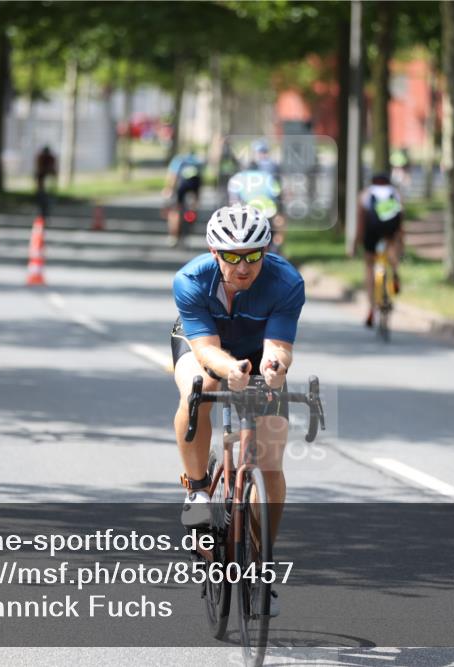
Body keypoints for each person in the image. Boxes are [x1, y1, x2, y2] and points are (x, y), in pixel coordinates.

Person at [170, 204, 305, 617]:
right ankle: (196, 487)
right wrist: (232, 369)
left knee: (271, 467)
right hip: (204, 347)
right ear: (215, 252)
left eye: (252, 255)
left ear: (267, 250)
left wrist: (273, 370)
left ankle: (261, 563)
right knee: (201, 387)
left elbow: (280, 348)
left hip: (255, 354)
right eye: (231, 256)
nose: (242, 266)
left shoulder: (287, 282)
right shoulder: (190, 280)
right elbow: (207, 350)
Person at [355, 172, 404, 327]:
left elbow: (361, 222)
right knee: (391, 249)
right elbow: (400, 222)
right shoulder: (395, 194)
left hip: (371, 232)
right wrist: (401, 242)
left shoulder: (366, 195)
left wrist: (356, 242)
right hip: (390, 231)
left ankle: (371, 308)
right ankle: (395, 272)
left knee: (369, 265)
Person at [162, 149, 204, 246]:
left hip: (182, 184)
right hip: (195, 184)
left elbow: (173, 175)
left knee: (175, 210)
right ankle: (191, 218)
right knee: (193, 206)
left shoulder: (178, 160)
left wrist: (168, 189)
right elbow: (201, 179)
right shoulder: (196, 161)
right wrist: (198, 197)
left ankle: (173, 236)